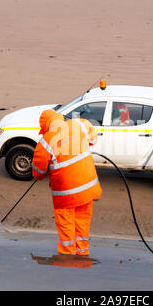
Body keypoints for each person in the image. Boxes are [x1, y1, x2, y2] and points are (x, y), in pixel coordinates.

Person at [32, 109, 102, 255]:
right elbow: (93, 139)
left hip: (66, 194)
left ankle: (67, 256)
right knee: (82, 222)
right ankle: (82, 252)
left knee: (66, 224)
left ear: (46, 126)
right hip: (88, 189)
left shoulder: (46, 141)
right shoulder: (80, 124)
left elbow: (37, 173)